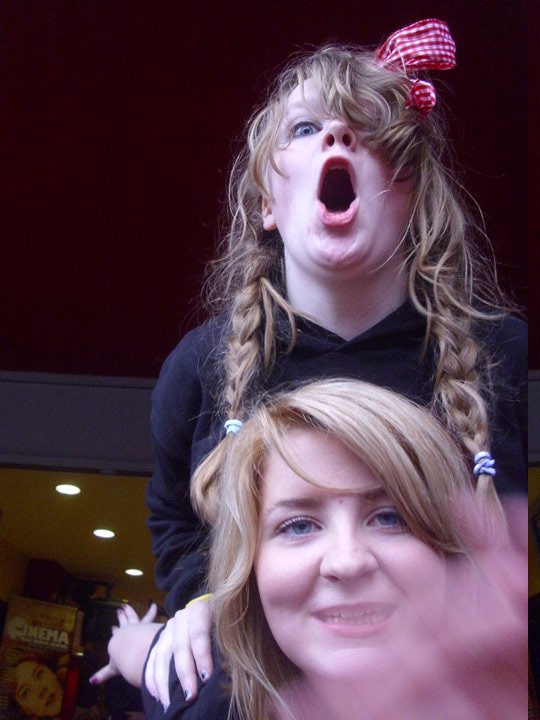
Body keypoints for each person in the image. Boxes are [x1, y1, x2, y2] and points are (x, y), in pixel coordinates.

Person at [145, 18, 527, 710]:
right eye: (304, 128)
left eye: (370, 130)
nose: (338, 136)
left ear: (408, 192)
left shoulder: (499, 356)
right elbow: (171, 510)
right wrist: (200, 598)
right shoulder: (200, 367)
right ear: (268, 201)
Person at [95, 379, 526, 719]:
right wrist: (123, 640)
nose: (347, 561)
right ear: (250, 571)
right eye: (298, 526)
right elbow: (136, 650)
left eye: (390, 518)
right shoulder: (202, 690)